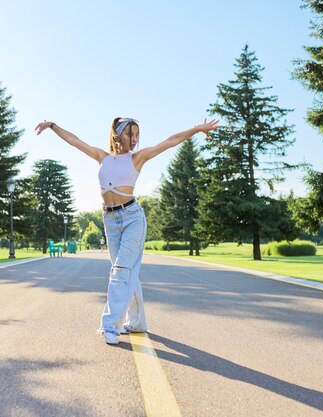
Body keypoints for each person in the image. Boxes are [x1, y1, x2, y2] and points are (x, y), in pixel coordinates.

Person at [35, 117, 219, 345]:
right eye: (130, 134)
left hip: (132, 218)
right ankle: (138, 322)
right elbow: (74, 141)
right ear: (117, 135)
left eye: (137, 135)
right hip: (110, 220)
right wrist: (52, 126)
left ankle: (110, 326)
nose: (135, 139)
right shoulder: (102, 157)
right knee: (124, 272)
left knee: (120, 270)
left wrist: (197, 129)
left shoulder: (137, 158)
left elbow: (171, 141)